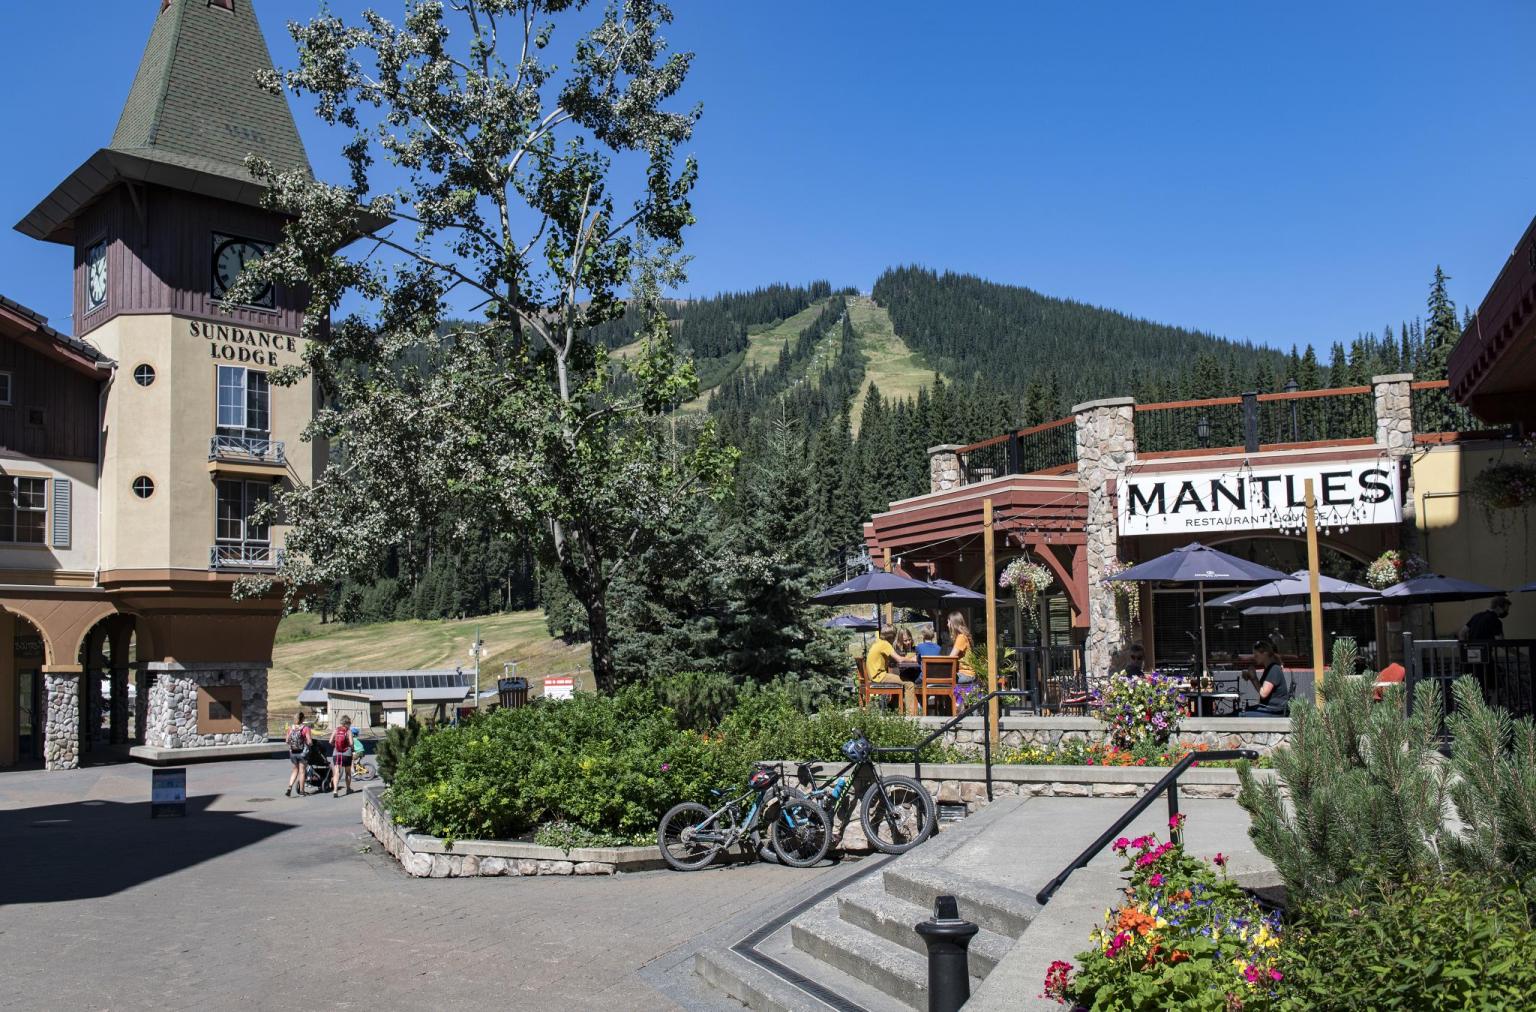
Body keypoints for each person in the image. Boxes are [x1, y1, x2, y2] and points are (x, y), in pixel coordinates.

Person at [866, 624, 916, 713]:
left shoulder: (878, 642)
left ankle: (893, 707)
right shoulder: (885, 644)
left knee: (900, 680)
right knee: (909, 684)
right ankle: (911, 715)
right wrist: (912, 659)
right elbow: (899, 660)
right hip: (879, 676)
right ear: (892, 636)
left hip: (874, 675)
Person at [1242, 638, 1290, 716]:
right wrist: (1251, 677)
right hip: (1269, 708)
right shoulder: (1269, 669)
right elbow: (1262, 691)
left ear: (1265, 654)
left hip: (1273, 711)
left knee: (1239, 715)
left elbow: (1263, 693)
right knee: (1239, 711)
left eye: (1256, 655)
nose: (1254, 657)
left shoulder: (1274, 669)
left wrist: (1254, 678)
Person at [284, 711, 312, 797]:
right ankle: (302, 791)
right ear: (302, 719)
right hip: (302, 753)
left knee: (295, 770)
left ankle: (289, 787)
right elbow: (310, 742)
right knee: (302, 771)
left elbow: (286, 741)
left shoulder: (290, 728)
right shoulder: (305, 728)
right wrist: (309, 744)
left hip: (293, 752)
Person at [329, 715, 354, 797]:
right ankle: (348, 789)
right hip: (347, 754)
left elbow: (330, 741)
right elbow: (351, 743)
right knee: (348, 772)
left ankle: (335, 791)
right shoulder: (348, 731)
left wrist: (335, 745)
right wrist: (352, 749)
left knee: (336, 772)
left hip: (336, 754)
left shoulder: (336, 730)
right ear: (347, 723)